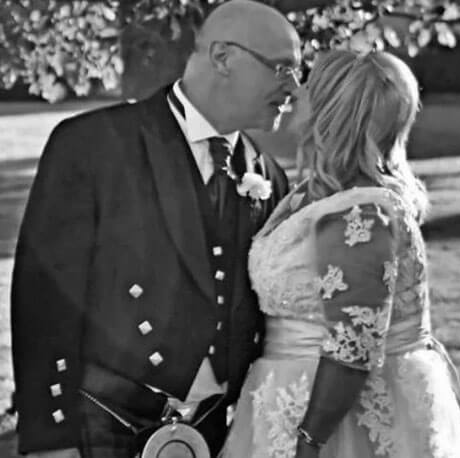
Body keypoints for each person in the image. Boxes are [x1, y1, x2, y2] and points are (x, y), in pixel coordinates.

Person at [10, 1, 301, 457]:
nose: (294, 87)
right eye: (282, 68)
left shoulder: (267, 173)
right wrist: (51, 438)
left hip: (217, 432)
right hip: (103, 421)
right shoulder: (95, 145)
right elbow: (45, 299)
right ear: (223, 57)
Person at [220, 50, 460, 458]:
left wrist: (307, 443)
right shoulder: (323, 195)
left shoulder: (360, 214)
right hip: (286, 395)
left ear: (330, 112)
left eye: (308, 86)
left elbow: (352, 348)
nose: (295, 92)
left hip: (332, 422)